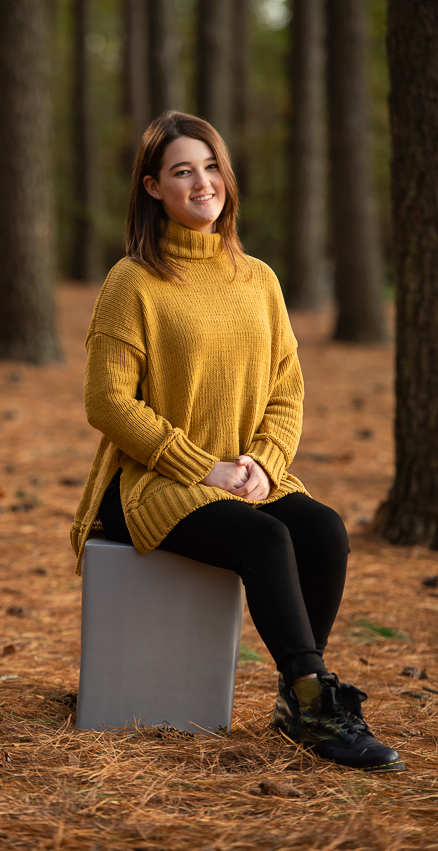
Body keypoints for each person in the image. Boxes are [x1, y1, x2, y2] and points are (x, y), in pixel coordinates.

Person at [71, 111, 403, 773]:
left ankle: (294, 696)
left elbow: (287, 391)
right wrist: (204, 468)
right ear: (151, 188)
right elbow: (107, 402)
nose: (202, 182)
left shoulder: (259, 280)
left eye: (211, 166)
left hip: (245, 472)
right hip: (155, 481)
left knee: (322, 530)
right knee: (264, 539)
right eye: (181, 171)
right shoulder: (132, 282)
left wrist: (261, 465)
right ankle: (316, 700)